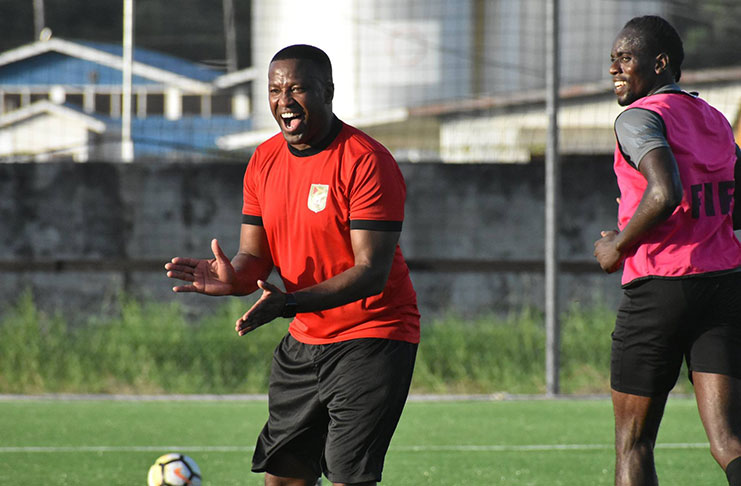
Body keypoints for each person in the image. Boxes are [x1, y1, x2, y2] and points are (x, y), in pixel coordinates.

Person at [165, 44, 420, 486]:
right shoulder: (264, 160)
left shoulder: (365, 161)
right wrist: (232, 278)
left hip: (373, 336)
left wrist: (288, 304)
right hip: (304, 339)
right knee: (283, 479)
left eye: (298, 88)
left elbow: (371, 272)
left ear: (328, 92)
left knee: (348, 477)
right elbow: (254, 258)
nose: (284, 100)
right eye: (275, 90)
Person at [594, 15, 741, 486]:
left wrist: (617, 245)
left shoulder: (639, 117)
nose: (614, 68)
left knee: (633, 443)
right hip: (723, 285)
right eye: (613, 59)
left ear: (660, 63)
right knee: (729, 441)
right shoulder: (713, 118)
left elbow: (664, 192)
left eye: (625, 58)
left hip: (660, 287)